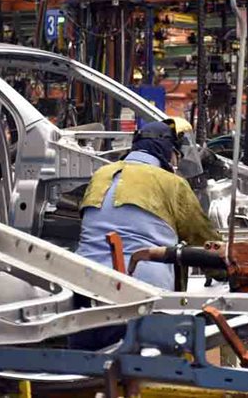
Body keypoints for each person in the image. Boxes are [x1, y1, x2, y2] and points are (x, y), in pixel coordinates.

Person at [76, 119, 219, 290]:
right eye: (177, 155)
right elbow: (202, 238)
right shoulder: (172, 183)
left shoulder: (101, 174)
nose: (177, 162)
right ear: (168, 151)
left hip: (84, 278)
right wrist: (227, 268)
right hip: (143, 286)